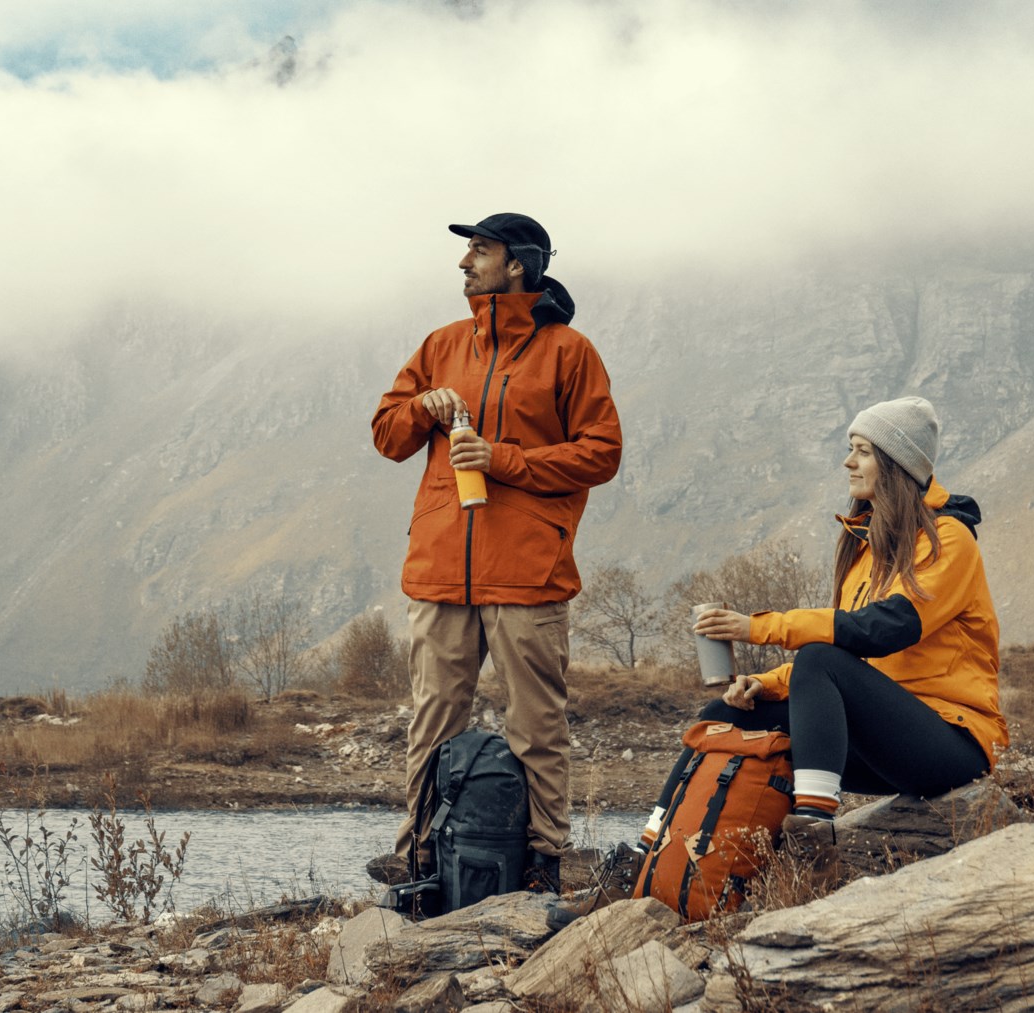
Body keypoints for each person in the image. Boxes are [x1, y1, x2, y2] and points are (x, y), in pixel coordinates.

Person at [553, 395, 1001, 926]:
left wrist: (756, 627)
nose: (848, 462)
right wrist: (763, 684)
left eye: (861, 451)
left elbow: (882, 631)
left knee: (818, 657)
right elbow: (840, 663)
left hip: (951, 742)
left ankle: (812, 854)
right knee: (726, 715)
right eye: (849, 450)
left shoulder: (949, 539)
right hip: (884, 738)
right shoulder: (866, 547)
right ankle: (642, 863)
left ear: (897, 463)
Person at [368, 213, 623, 893]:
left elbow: (603, 453)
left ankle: (542, 864)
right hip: (441, 570)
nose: (464, 263)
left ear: (518, 264)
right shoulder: (441, 345)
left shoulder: (570, 352)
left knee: (537, 725)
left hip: (528, 573)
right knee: (433, 721)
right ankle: (419, 859)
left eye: (478, 250)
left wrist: (501, 460)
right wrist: (424, 407)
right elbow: (387, 435)